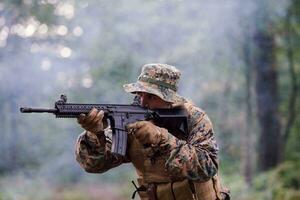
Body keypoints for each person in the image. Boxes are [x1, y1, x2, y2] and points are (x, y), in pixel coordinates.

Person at [75, 63, 229, 200]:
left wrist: (162, 139)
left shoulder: (194, 118)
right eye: (140, 94)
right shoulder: (130, 120)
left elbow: (207, 167)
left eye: (151, 96)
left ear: (169, 99)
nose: (143, 101)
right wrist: (95, 134)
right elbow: (94, 165)